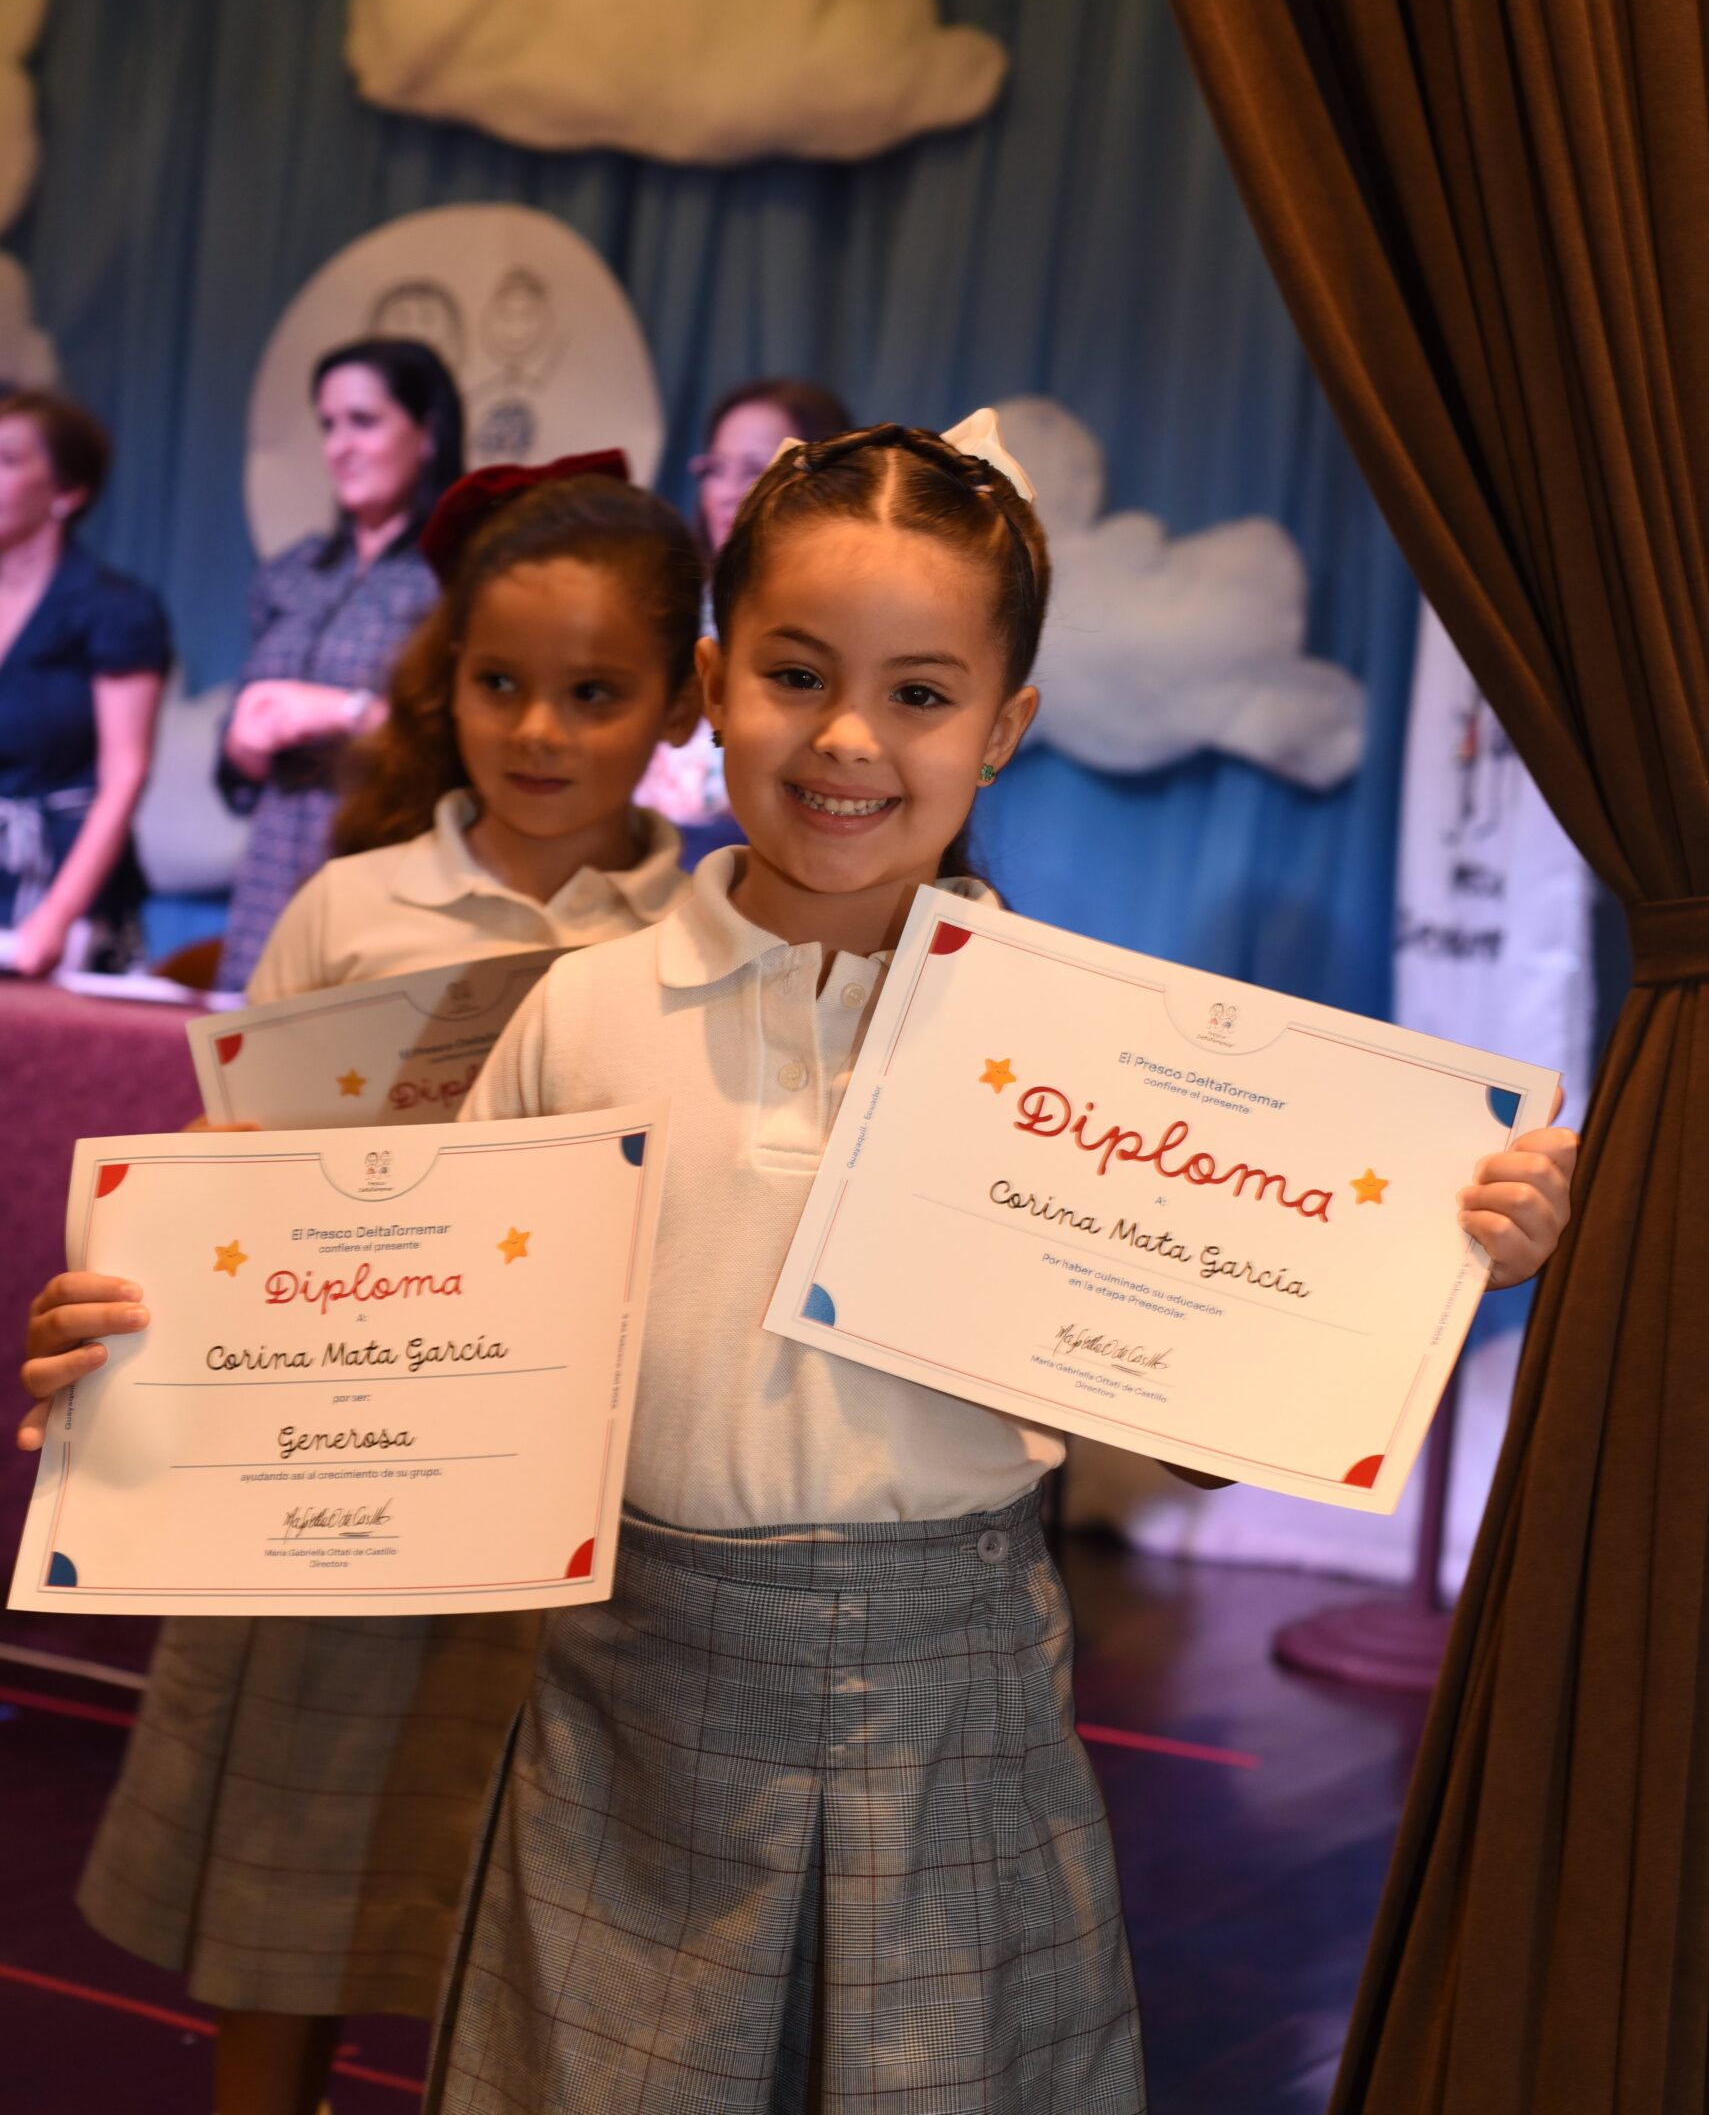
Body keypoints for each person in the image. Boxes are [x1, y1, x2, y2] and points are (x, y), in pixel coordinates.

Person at [23, 418, 1579, 2112]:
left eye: (919, 694)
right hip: (619, 1721)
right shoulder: (579, 1014)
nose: (847, 737)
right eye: (793, 674)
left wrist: (1433, 1257)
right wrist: (167, 1342)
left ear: (1003, 730)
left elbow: (1205, 1431)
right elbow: (413, 1347)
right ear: (711, 687)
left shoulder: (1078, 1056)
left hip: (957, 1720)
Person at [23, 455, 701, 2115]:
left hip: (553, 1516)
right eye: (499, 683)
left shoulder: (699, 933)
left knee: (516, 1915)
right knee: (287, 1896)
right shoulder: (350, 902)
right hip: (323, 1499)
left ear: (680, 702)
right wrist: (163, 1242)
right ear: (443, 680)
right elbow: (228, 1174)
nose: (538, 732)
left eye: (594, 694)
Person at [215, 335, 464, 993]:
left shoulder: (455, 574)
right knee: (246, 1052)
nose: (339, 447)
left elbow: (463, 746)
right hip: (270, 877)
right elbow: (234, 762)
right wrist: (245, 738)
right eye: (328, 426)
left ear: (427, 433)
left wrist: (343, 712)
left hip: (383, 871)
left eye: (363, 421)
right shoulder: (294, 574)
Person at [637, 375, 850, 843]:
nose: (727, 491)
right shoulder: (667, 602)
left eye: (753, 470)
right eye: (715, 469)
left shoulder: (844, 627)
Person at [0, 389, 170, 975]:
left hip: (63, 886)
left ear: (66, 493)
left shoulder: (113, 609)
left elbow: (124, 775)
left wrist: (56, 916)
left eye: (6, 459)